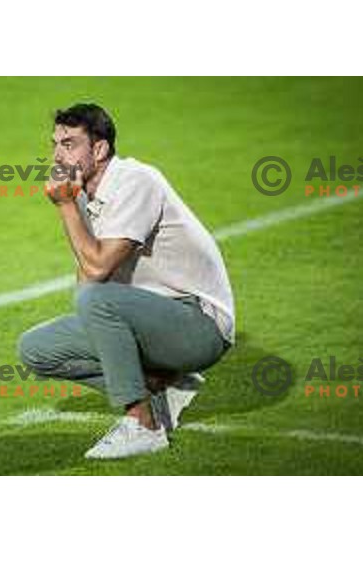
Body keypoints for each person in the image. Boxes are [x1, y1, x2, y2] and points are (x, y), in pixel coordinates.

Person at [18, 103, 234, 459]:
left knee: (94, 300)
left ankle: (143, 426)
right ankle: (167, 385)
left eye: (69, 143)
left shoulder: (135, 181)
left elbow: (99, 271)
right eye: (54, 143)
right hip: (157, 320)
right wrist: (74, 205)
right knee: (36, 348)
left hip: (200, 326)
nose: (57, 154)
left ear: (99, 149)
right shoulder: (86, 194)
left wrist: (65, 207)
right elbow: (87, 278)